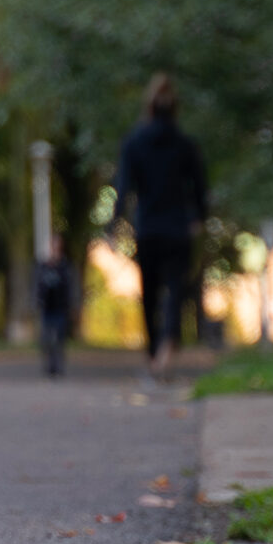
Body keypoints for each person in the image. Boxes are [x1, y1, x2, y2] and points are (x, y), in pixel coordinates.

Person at [114, 72, 209, 382]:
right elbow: (199, 186)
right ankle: (168, 343)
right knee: (176, 290)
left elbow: (124, 186)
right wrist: (199, 217)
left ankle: (155, 353)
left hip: (149, 227)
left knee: (150, 293)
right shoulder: (185, 144)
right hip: (178, 228)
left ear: (149, 107)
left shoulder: (134, 143)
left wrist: (116, 222)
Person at [34, 244, 79, 379]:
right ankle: (50, 366)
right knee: (46, 339)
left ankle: (59, 366)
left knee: (60, 339)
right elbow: (37, 285)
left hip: (61, 308)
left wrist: (72, 305)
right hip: (46, 308)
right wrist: (37, 301)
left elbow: (70, 287)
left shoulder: (65, 267)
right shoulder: (43, 267)